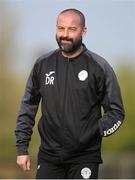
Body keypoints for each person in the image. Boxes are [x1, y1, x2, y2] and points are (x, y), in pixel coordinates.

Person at [15, 8, 125, 179]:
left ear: (84, 31)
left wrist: (93, 131)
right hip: (49, 157)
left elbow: (116, 113)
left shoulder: (100, 67)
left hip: (85, 157)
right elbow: (28, 105)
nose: (65, 34)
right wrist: (22, 147)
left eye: (72, 29)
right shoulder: (42, 64)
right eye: (61, 28)